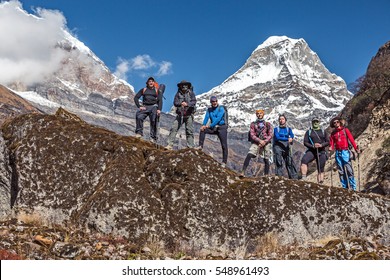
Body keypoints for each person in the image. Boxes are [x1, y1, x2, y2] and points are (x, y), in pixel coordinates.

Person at [329, 116, 360, 190]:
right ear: (333, 124)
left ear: (340, 122)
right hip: (337, 153)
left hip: (345, 151)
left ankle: (353, 187)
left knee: (349, 169)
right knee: (341, 171)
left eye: (337, 122)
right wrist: (331, 148)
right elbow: (332, 143)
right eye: (334, 123)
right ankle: (344, 187)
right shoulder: (333, 134)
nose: (336, 123)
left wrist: (356, 148)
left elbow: (351, 139)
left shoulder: (345, 130)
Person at [241, 109, 273, 176]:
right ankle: (243, 172)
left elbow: (270, 134)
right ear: (256, 115)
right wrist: (259, 141)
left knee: (266, 159)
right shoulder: (253, 124)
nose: (259, 114)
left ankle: (266, 175)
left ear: (263, 114)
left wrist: (264, 141)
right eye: (258, 113)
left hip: (266, 142)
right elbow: (252, 135)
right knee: (249, 154)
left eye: (261, 113)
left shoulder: (268, 124)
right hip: (256, 142)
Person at [166, 80, 197, 149]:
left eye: (185, 85)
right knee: (174, 128)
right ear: (180, 86)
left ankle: (190, 146)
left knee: (189, 130)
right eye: (182, 85)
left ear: (188, 86)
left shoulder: (191, 93)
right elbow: (175, 102)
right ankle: (169, 145)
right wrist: (181, 104)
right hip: (180, 114)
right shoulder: (177, 94)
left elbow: (194, 101)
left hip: (189, 115)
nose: (184, 86)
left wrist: (187, 104)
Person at [198, 96, 228, 165]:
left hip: (221, 127)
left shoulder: (221, 109)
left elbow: (218, 119)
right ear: (211, 102)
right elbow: (206, 117)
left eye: (215, 101)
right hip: (214, 128)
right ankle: (200, 146)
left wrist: (210, 125)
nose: (214, 103)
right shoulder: (209, 110)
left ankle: (224, 162)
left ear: (217, 101)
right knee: (203, 130)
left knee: (224, 145)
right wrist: (203, 125)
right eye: (213, 101)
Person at [300, 117, 329, 183]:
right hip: (312, 151)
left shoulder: (323, 131)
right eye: (314, 122)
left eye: (317, 121)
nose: (315, 123)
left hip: (321, 151)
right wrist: (312, 146)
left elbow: (328, 141)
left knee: (321, 168)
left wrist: (321, 145)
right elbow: (305, 142)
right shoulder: (309, 132)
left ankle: (320, 183)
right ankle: (303, 178)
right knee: (304, 160)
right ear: (312, 123)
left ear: (319, 122)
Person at [133, 77, 163, 142]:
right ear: (147, 83)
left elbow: (160, 100)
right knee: (139, 116)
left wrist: (159, 109)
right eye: (149, 81)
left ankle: (153, 137)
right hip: (145, 106)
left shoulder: (157, 90)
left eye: (152, 81)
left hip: (154, 107)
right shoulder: (143, 90)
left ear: (154, 83)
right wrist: (139, 106)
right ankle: (139, 133)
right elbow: (136, 98)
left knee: (153, 120)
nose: (151, 82)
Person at [273, 114, 298, 179]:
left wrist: (291, 138)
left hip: (286, 146)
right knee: (278, 162)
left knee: (289, 162)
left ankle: (293, 178)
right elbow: (277, 137)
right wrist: (287, 139)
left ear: (285, 120)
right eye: (280, 119)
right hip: (278, 146)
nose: (281, 120)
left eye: (283, 119)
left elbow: (292, 135)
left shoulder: (288, 129)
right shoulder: (276, 129)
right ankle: (279, 177)